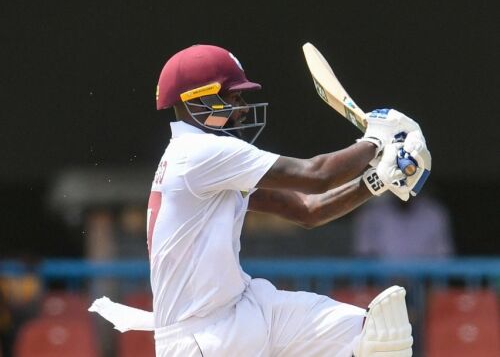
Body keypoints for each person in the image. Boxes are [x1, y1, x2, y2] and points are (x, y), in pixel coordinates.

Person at [89, 44, 431, 357]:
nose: (239, 109)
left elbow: (307, 211)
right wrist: (374, 142)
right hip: (200, 338)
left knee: (379, 336)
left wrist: (378, 179)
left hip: (241, 309)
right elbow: (316, 176)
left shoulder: (207, 159)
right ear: (198, 99)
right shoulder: (199, 153)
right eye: (231, 98)